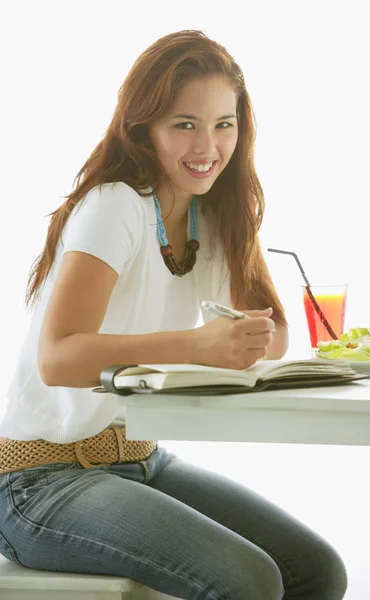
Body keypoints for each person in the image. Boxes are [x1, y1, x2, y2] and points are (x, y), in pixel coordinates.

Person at [0, 30, 347, 600]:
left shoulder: (216, 213)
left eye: (223, 124)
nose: (206, 145)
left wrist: (241, 236)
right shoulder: (115, 205)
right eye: (184, 124)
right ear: (144, 129)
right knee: (250, 582)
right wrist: (194, 344)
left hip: (142, 459)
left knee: (317, 570)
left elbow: (277, 337)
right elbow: (59, 358)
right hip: (37, 480)